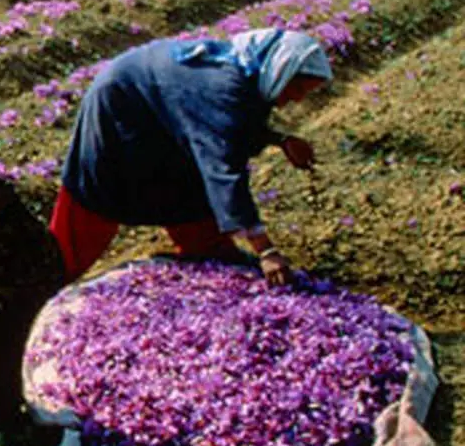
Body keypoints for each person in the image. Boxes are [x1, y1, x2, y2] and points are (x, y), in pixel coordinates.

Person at [50, 28, 333, 288]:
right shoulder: (223, 87)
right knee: (101, 193)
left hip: (158, 113)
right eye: (297, 88)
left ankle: (208, 249)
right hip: (120, 105)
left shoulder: (250, 71)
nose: (297, 99)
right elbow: (225, 170)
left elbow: (237, 125)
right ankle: (49, 277)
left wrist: (281, 140)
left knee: (186, 185)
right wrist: (266, 250)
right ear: (282, 69)